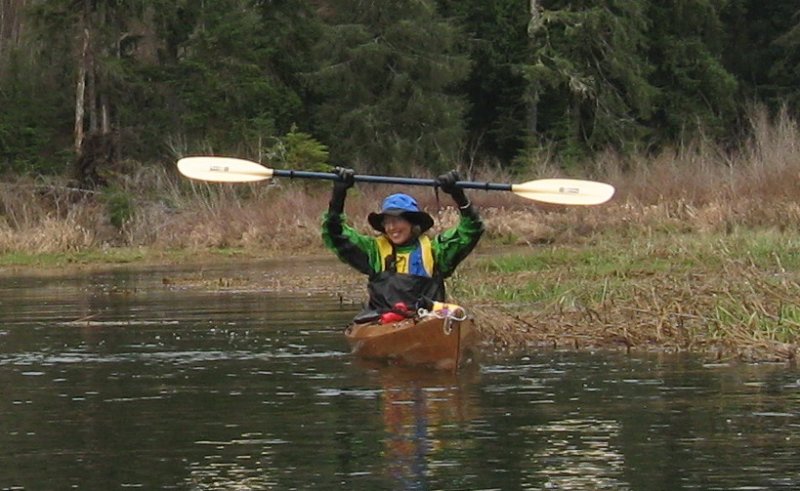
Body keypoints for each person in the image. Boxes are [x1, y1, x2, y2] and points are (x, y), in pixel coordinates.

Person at [322, 167, 484, 323]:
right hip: (383, 321)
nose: (391, 228)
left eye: (397, 220)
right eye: (387, 222)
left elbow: (472, 230)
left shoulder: (436, 251)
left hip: (427, 319)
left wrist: (459, 196)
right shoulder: (373, 251)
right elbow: (335, 234)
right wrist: (338, 195)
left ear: (413, 223)